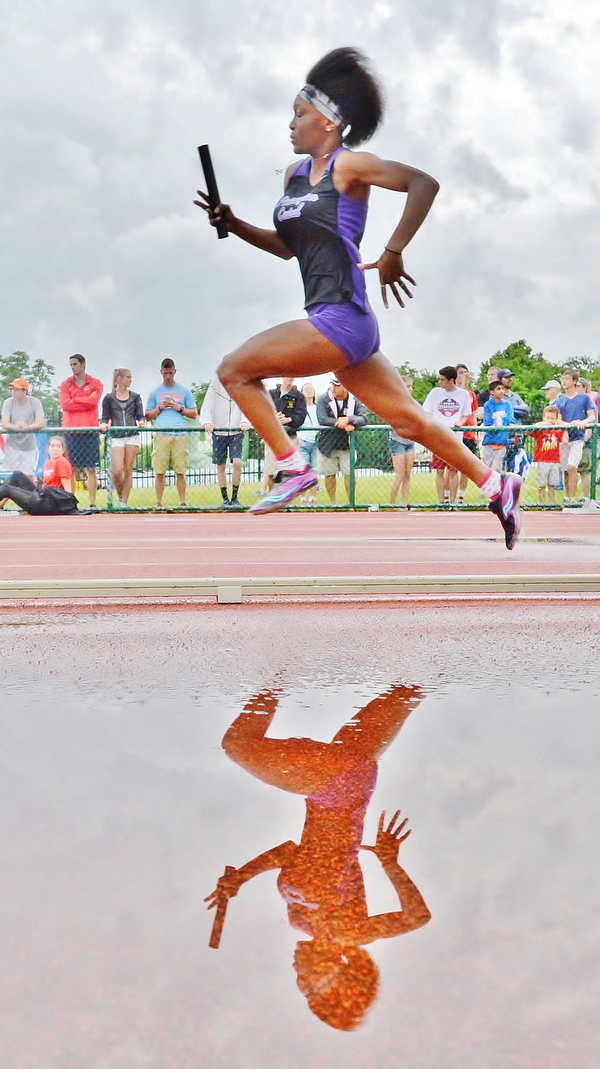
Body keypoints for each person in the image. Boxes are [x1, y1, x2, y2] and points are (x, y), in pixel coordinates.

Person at [195, 47, 522, 548]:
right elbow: (288, 249)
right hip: (342, 320)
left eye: (299, 114)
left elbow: (423, 183)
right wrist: (233, 223)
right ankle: (497, 484)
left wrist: (393, 251)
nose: (290, 124)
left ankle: (291, 466)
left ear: (329, 121)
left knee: (233, 370)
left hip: (341, 316)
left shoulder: (350, 167)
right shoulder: (293, 176)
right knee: (409, 419)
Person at [206, 684, 431, 1031]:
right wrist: (389, 862)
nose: (296, 971)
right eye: (307, 983)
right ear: (335, 974)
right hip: (337, 787)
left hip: (335, 789)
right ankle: (274, 658)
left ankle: (279, 658)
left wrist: (240, 877)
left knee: (412, 686)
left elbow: (289, 852)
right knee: (238, 746)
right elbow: (417, 917)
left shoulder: (302, 921)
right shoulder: (349, 932)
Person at [145, 359, 198, 508]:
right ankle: (158, 502)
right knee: (159, 470)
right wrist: (160, 408)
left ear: (175, 371)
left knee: (180, 470)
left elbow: (194, 413)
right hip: (161, 433)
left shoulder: (184, 391)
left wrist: (179, 408)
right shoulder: (155, 392)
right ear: (161, 372)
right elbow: (148, 415)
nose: (168, 376)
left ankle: (182, 502)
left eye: (170, 373)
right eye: (165, 373)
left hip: (179, 433)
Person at [422, 366, 473, 505]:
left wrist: (459, 422)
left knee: (453, 471)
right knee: (439, 470)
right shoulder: (435, 393)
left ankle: (452, 501)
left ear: (452, 380)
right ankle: (441, 501)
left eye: (442, 379)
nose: (440, 382)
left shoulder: (463, 395)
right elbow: (426, 411)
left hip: (455, 438)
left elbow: (466, 415)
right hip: (438, 437)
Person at [59, 355, 103, 508]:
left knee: (91, 468)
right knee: (71, 468)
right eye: (70, 364)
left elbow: (94, 402)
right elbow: (65, 405)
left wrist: (75, 401)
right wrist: (85, 400)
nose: (73, 367)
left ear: (83, 364)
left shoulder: (96, 383)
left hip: (90, 431)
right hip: (71, 431)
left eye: (75, 364)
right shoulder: (66, 384)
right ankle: (72, 502)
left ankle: (92, 503)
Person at [200, 374, 251, 508]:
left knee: (237, 462)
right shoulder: (215, 384)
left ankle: (235, 498)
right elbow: (207, 405)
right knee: (220, 465)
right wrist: (206, 422)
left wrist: (245, 422)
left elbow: (247, 405)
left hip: (236, 431)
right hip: (219, 431)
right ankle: (225, 499)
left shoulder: (241, 384)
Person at [316, 379, 368, 505]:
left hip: (346, 443)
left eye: (337, 385)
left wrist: (349, 419)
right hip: (327, 444)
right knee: (329, 474)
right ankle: (333, 503)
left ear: (345, 386)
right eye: (333, 385)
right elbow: (322, 419)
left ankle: (351, 502)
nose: (334, 388)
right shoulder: (324, 399)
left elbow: (364, 418)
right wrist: (341, 424)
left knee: (349, 473)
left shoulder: (354, 399)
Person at [100, 369, 145, 507]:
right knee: (117, 470)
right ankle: (120, 495)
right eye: (128, 377)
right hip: (117, 436)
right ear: (119, 379)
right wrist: (102, 424)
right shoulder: (109, 398)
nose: (130, 379)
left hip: (132, 435)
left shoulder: (136, 397)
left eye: (131, 377)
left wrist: (141, 422)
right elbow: (105, 416)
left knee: (128, 469)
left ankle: (124, 502)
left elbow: (140, 415)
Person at [0, 436, 78, 514]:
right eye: (52, 446)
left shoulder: (61, 462)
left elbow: (68, 492)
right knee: (17, 475)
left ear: (63, 450)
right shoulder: (48, 463)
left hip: (50, 503)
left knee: (6, 489)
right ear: (48, 449)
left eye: (58, 446)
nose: (55, 449)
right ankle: (1, 505)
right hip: (41, 497)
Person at [555, 369, 596, 504]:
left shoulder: (584, 398)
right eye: (563, 379)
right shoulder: (560, 400)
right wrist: (567, 425)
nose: (564, 381)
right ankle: (567, 497)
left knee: (573, 466)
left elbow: (592, 417)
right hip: (565, 438)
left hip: (578, 437)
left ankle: (572, 498)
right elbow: (558, 419)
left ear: (574, 381)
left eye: (567, 379)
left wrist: (582, 422)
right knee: (566, 469)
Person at [262, 378, 307, 494]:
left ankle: (285, 503)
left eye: (292, 375)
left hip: (290, 439)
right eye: (287, 375)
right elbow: (264, 411)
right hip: (272, 438)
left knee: (289, 474)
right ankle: (273, 501)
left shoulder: (299, 396)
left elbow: (301, 416)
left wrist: (288, 420)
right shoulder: (271, 394)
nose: (289, 378)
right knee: (271, 472)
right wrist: (275, 418)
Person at [0, 378, 46, 478]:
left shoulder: (35, 402)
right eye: (12, 389)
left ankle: (28, 493)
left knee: (28, 476)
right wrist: (14, 426)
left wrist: (28, 427)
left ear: (24, 391)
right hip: (12, 446)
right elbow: (5, 423)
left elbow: (41, 422)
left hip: (29, 446)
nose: (13, 392)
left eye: (16, 390)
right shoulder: (8, 402)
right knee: (11, 476)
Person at [528, 405, 565, 504]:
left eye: (552, 418)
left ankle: (551, 503)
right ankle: (542, 503)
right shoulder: (540, 430)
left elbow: (565, 440)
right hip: (542, 460)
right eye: (547, 418)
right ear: (543, 417)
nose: (549, 421)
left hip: (554, 460)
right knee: (542, 483)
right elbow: (528, 431)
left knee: (552, 484)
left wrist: (563, 426)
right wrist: (542, 423)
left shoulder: (557, 431)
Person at [388, 375, 415, 507]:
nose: (410, 389)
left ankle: (404, 503)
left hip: (410, 441)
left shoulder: (412, 402)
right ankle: (392, 503)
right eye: (408, 386)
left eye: (411, 386)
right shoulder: (395, 401)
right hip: (397, 441)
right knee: (399, 474)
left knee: (407, 475)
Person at [456, 364, 479, 504]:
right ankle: (447, 498)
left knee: (466, 467)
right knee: (453, 467)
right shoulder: (453, 392)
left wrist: (475, 432)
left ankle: (460, 498)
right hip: (457, 433)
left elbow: (474, 413)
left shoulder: (471, 394)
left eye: (465, 372)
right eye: (460, 372)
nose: (463, 375)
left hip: (469, 434)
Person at [481, 381, 516, 472]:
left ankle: (496, 485)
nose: (501, 391)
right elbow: (487, 422)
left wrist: (511, 423)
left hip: (502, 441)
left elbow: (510, 417)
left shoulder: (507, 404)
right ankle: (487, 486)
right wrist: (494, 425)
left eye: (502, 389)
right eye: (498, 389)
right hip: (490, 441)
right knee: (487, 468)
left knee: (497, 468)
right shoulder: (488, 405)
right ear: (492, 392)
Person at [297, 382, 320, 505]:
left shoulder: (318, 407)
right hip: (303, 441)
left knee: (314, 471)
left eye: (311, 389)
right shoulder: (299, 408)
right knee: (303, 471)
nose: (309, 391)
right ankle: (303, 497)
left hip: (316, 441)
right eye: (306, 389)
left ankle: (313, 497)